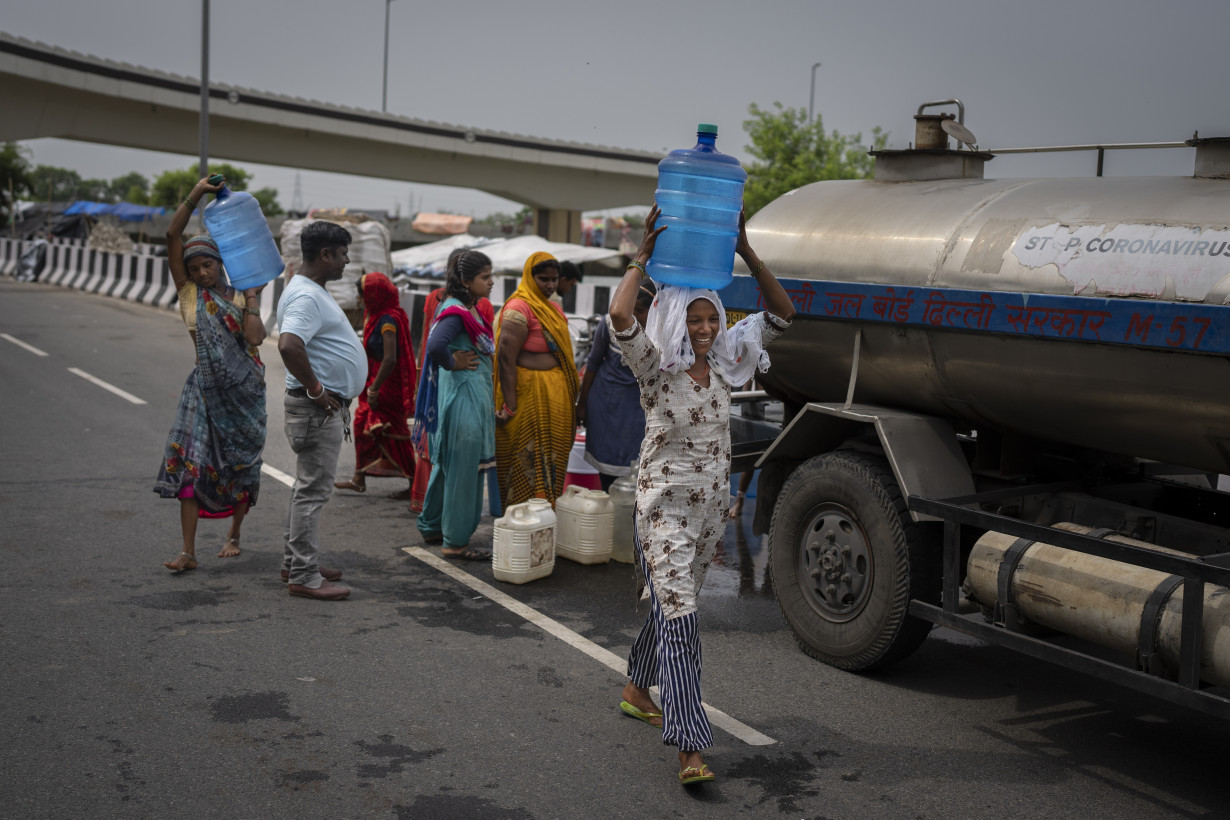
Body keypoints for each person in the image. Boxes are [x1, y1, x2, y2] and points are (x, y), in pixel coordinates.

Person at [610, 204, 795, 787]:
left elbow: (784, 315)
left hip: (710, 510)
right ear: (672, 321)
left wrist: (745, 252)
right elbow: (619, 313)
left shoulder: (724, 364)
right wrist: (641, 259)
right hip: (663, 510)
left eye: (711, 318)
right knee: (685, 617)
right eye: (693, 321)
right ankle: (690, 744)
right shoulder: (655, 368)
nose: (705, 329)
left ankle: (638, 687)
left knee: (673, 603)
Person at [155, 175, 268, 574]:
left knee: (241, 467)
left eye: (208, 264)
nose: (202, 273)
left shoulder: (242, 294)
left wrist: (253, 296)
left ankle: (234, 535)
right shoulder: (189, 295)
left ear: (221, 263)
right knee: (191, 466)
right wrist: (198, 192)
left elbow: (255, 337)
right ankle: (188, 551)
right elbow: (172, 233)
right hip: (203, 392)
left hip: (246, 396)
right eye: (195, 267)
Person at [276, 221, 366, 601]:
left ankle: (294, 561)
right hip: (315, 409)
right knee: (312, 493)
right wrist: (316, 389)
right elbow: (288, 345)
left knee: (305, 489)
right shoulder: (307, 297)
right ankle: (304, 575)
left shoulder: (310, 289)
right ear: (326, 255)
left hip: (319, 408)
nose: (347, 261)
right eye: (343, 253)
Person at [413, 250, 497, 559]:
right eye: (485, 277)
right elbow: (435, 346)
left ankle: (433, 526)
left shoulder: (465, 308)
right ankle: (456, 541)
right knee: (464, 471)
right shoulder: (456, 311)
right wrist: (453, 362)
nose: (492, 282)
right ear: (466, 281)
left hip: (462, 399)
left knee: (448, 467)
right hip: (463, 403)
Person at [494, 252, 580, 507]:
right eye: (544, 279)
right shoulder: (517, 309)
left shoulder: (552, 308)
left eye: (554, 280)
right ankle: (523, 519)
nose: (551, 286)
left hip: (555, 398)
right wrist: (510, 405)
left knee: (553, 460)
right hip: (529, 396)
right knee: (526, 458)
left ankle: (546, 516)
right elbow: (506, 360)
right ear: (529, 277)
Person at [333, 272, 419, 499]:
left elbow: (390, 358)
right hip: (376, 378)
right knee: (364, 425)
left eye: (362, 295)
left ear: (375, 295)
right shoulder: (376, 314)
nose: (360, 300)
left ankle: (414, 483)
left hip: (386, 383)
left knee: (392, 430)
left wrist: (375, 388)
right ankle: (359, 478)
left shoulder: (389, 320)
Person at [576, 280, 656, 491]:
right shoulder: (609, 324)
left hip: (639, 409)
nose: (633, 316)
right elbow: (593, 363)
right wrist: (582, 404)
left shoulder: (661, 333)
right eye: (630, 309)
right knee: (607, 466)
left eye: (639, 311)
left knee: (639, 465)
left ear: (654, 310)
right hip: (606, 404)